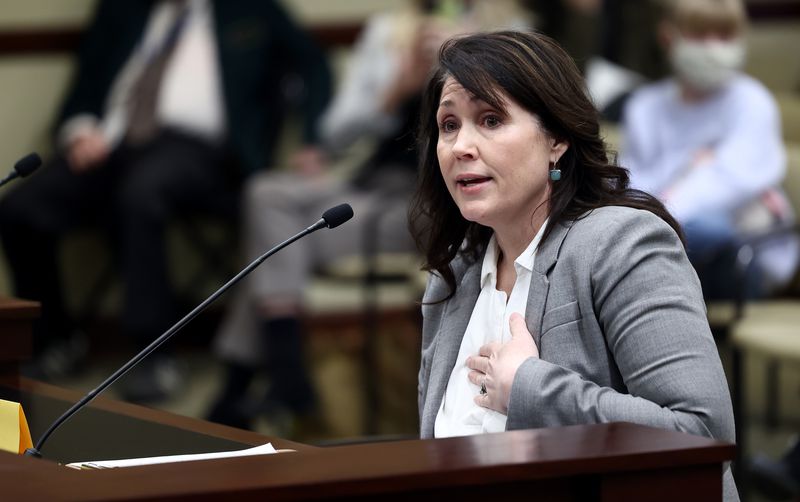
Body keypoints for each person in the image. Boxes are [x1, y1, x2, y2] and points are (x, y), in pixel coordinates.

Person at [409, 31, 738, 500]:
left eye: (490, 119)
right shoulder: (453, 280)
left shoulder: (621, 245)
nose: (461, 145)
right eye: (448, 125)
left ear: (557, 139)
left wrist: (528, 387)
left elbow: (701, 433)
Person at [207, 0, 530, 432]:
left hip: (435, 202)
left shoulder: (510, 31)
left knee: (277, 246)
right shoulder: (388, 31)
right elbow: (334, 131)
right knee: (265, 192)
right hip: (366, 183)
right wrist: (399, 86)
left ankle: (247, 383)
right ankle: (283, 374)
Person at [0, 0, 331, 402]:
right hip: (114, 144)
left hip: (204, 154)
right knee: (19, 208)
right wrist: (81, 128)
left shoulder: (252, 10)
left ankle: (153, 353)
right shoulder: (123, 10)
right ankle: (55, 338)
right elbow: (86, 84)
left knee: (142, 192)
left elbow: (313, 65)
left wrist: (313, 137)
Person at [620, 0, 797, 300]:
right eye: (700, 35)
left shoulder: (752, 101)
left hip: (743, 251)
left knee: (706, 230)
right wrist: (693, 167)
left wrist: (661, 207)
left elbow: (726, 183)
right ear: (668, 37)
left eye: (725, 36)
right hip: (663, 234)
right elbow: (631, 183)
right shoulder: (645, 106)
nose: (713, 47)